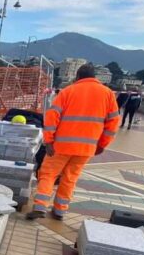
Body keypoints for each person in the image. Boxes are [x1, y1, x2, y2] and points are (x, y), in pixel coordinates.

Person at [27, 63, 119, 220]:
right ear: (94, 77)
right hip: (87, 148)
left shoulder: (67, 91)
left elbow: (52, 117)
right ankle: (60, 211)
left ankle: (40, 207)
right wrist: (102, 144)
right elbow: (113, 123)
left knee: (48, 174)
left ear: (77, 76)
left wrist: (48, 141)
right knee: (70, 178)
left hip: (61, 145)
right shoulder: (108, 94)